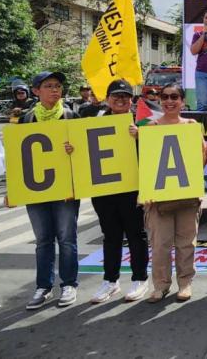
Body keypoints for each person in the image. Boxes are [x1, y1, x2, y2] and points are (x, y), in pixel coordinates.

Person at [75, 80, 150, 304]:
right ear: (107, 99)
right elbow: (81, 151)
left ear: (132, 100)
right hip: (104, 189)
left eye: (125, 96)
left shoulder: (142, 123)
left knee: (136, 235)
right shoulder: (93, 122)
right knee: (111, 236)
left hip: (132, 188)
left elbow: (155, 153)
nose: (120, 99)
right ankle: (111, 280)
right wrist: (72, 147)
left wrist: (141, 137)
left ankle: (140, 278)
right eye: (116, 95)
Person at [19, 71, 81, 310]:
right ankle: (43, 286)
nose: (55, 90)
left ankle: (69, 284)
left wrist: (73, 150)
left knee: (67, 238)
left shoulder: (71, 116)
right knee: (43, 239)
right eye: (48, 86)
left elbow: (84, 154)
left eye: (58, 86)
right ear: (36, 91)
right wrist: (12, 190)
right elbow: (17, 158)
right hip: (35, 190)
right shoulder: (26, 119)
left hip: (66, 189)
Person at [146, 83, 207, 303]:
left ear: (182, 101)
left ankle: (185, 283)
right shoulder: (151, 128)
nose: (169, 101)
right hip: (159, 198)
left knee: (186, 243)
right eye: (165, 97)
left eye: (174, 97)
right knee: (160, 244)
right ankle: (161, 285)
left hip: (187, 196)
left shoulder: (192, 125)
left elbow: (199, 164)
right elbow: (145, 164)